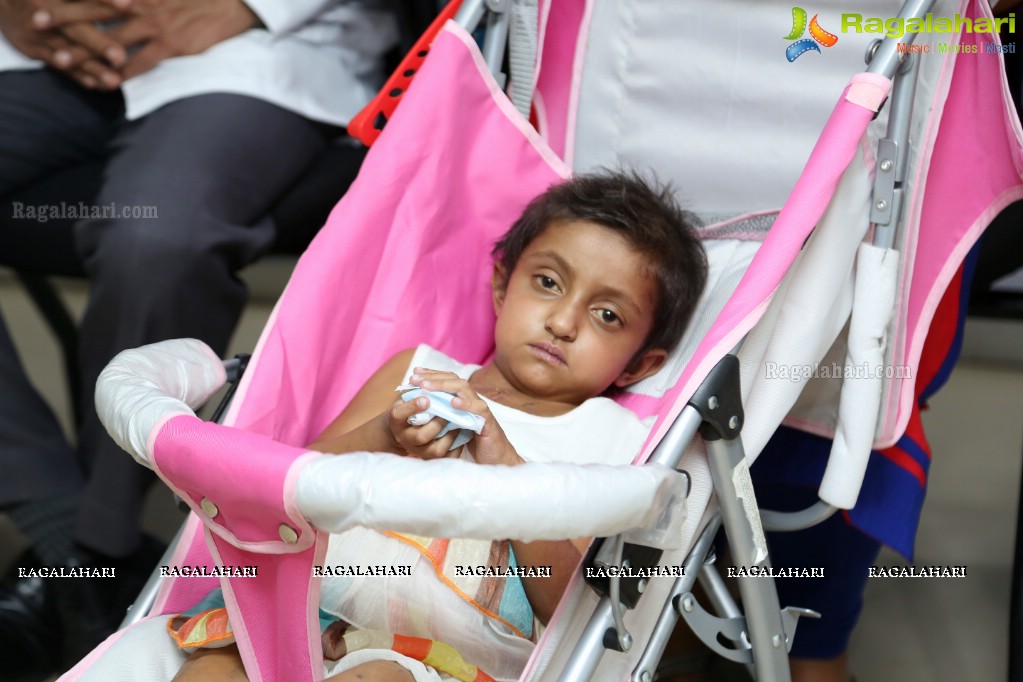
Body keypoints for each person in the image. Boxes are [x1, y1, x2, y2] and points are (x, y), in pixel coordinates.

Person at [145, 170, 708, 682]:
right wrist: (383, 438)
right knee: (211, 671)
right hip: (302, 607)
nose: (563, 322)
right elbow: (289, 491)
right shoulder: (416, 371)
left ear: (638, 365)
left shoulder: (610, 438)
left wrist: (506, 469)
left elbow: (573, 604)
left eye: (607, 316)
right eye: (548, 283)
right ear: (502, 286)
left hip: (435, 657)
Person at [0, 0, 399, 678]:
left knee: (157, 236)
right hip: (40, 43)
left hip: (252, 52)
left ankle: (93, 551)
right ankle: (73, 544)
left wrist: (247, 7)